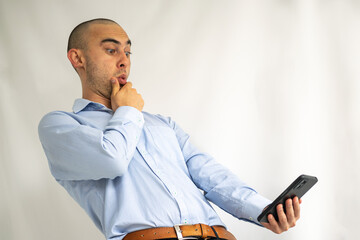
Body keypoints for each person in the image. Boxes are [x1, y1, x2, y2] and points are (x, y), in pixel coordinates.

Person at [38, 18, 301, 240]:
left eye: (128, 52)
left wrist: (265, 210)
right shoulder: (60, 126)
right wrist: (128, 110)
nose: (124, 62)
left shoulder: (162, 124)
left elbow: (211, 175)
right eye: (111, 50)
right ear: (77, 58)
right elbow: (112, 160)